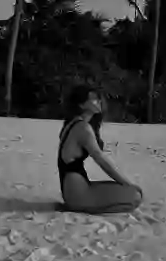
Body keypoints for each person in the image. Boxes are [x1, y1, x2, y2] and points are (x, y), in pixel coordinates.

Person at [57, 84, 143, 214]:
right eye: (94, 99)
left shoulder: (72, 123)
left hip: (73, 192)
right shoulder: (83, 128)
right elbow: (102, 161)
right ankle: (89, 208)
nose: (99, 102)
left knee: (127, 191)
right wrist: (127, 183)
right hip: (78, 196)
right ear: (82, 105)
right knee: (134, 196)